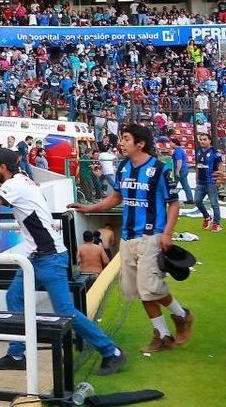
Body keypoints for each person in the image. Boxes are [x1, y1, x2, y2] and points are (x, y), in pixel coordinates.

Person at [0, 148, 126, 376]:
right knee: (14, 298)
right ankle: (17, 355)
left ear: (2, 168)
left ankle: (111, 351)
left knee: (65, 311)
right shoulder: (21, 180)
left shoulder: (14, 185)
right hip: (38, 256)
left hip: (49, 257)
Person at [70, 123, 192, 352]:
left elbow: (174, 203)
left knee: (150, 288)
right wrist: (90, 209)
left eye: (126, 138)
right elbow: (116, 197)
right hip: (127, 237)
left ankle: (180, 317)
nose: (121, 143)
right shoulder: (124, 167)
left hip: (151, 236)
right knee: (139, 289)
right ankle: (166, 334)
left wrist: (167, 233)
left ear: (140, 143)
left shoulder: (159, 169)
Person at [193, 133, 222, 232]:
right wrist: (196, 177)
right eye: (201, 139)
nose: (202, 141)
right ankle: (207, 217)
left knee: (214, 203)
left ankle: (217, 224)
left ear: (209, 140)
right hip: (200, 182)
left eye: (204, 139)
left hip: (211, 182)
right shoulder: (198, 151)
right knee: (197, 201)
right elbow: (197, 165)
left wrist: (219, 178)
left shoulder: (215, 152)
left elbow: (220, 166)